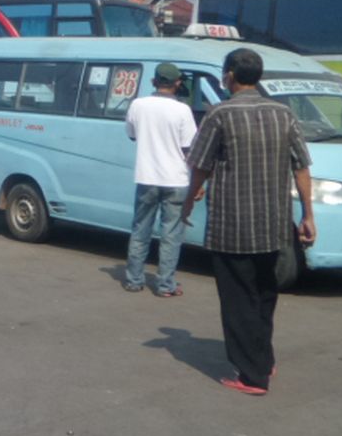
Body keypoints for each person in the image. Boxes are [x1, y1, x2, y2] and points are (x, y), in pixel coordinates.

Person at [181, 47, 315, 396]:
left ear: (229, 76)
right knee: (264, 294)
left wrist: (189, 199)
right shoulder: (284, 114)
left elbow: (200, 165)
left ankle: (252, 376)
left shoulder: (219, 115)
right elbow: (301, 166)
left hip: (233, 225)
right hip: (274, 223)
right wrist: (308, 215)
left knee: (238, 298)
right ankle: (263, 358)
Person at [122, 63, 198, 297]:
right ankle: (165, 285)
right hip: (176, 179)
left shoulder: (138, 105)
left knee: (140, 229)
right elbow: (189, 149)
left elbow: (132, 135)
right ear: (177, 83)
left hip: (146, 176)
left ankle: (134, 280)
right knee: (171, 235)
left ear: (154, 82)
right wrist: (198, 182)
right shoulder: (182, 110)